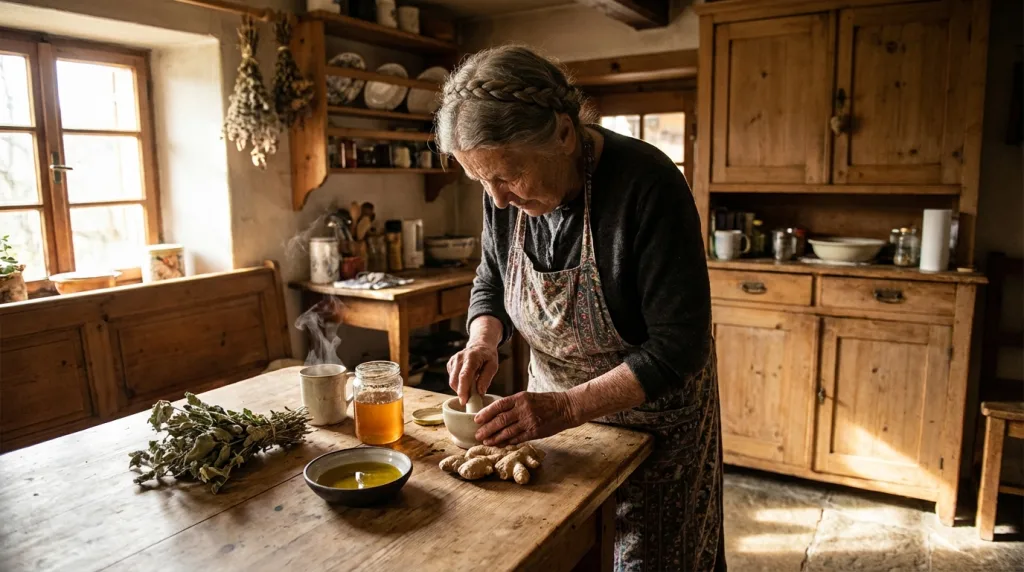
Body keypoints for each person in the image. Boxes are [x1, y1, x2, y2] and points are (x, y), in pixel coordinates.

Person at [440, 46, 724, 572]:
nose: (497, 199)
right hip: (550, 426)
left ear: (564, 134)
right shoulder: (501, 190)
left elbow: (678, 345)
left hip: (653, 429)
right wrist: (483, 338)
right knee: (560, 554)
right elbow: (491, 278)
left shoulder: (648, 184)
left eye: (507, 176)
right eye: (481, 181)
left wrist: (567, 408)